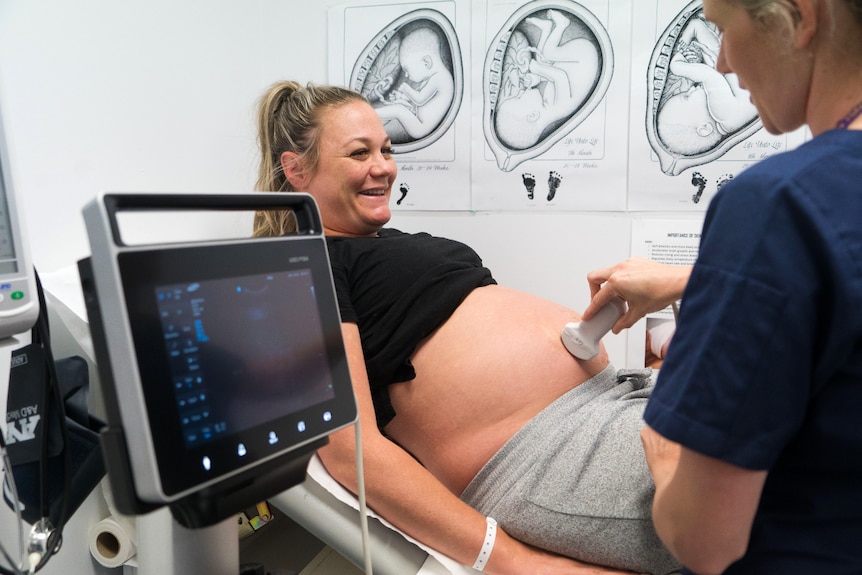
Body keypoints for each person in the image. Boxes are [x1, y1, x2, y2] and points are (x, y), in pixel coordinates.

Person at [252, 80, 680, 575]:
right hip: (549, 453)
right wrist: (509, 560)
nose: (383, 167)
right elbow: (352, 452)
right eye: (359, 153)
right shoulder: (297, 268)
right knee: (760, 473)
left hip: (619, 399)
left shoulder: (388, 243)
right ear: (296, 168)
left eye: (387, 150)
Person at [584, 1, 862, 572]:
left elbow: (705, 542)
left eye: (720, 29)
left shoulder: (776, 205)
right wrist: (706, 279)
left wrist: (666, 465)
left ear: (801, 16)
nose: (723, 62)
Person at [495, 9, 600, 149]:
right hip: (583, 56)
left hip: (570, 62)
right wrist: (536, 69)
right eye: (520, 98)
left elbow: (551, 78)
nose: (521, 91)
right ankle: (562, 24)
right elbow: (560, 77)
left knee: (544, 59)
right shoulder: (559, 108)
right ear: (532, 116)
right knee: (548, 54)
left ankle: (547, 29)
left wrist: (536, 79)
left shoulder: (548, 107)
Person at [656, 15, 757, 155]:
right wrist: (677, 67)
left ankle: (690, 35)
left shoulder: (728, 122)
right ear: (704, 129)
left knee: (698, 27)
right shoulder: (723, 114)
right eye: (687, 97)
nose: (691, 88)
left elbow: (718, 76)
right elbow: (709, 75)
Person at [373, 26, 455, 140]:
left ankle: (368, 114)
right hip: (418, 121)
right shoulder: (433, 77)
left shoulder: (441, 78)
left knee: (398, 110)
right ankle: (373, 122)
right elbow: (423, 99)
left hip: (420, 128)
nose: (406, 75)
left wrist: (406, 88)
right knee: (398, 106)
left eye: (407, 69)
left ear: (426, 62)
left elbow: (420, 99)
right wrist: (403, 97)